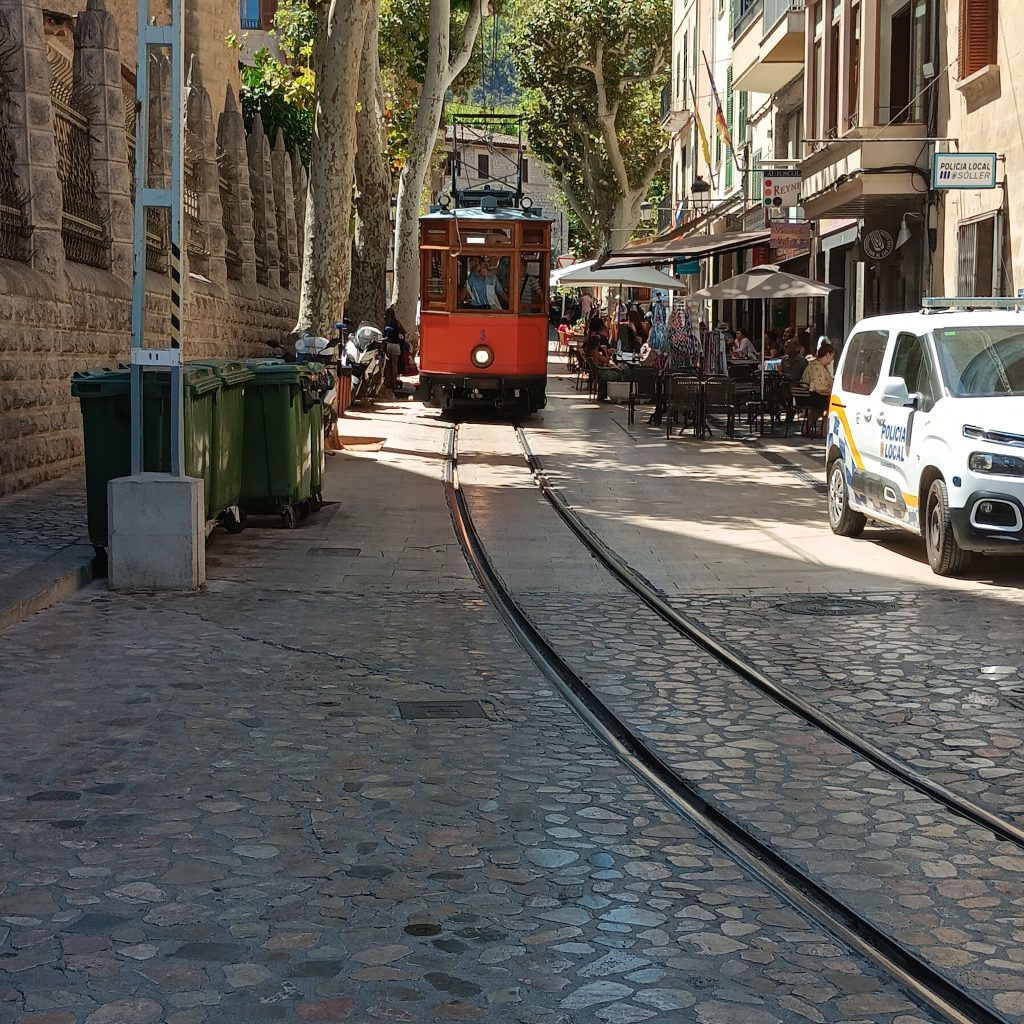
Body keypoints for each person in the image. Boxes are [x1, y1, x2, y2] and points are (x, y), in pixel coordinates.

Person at [800, 340, 835, 433]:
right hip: (810, 396)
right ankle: (823, 431)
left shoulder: (822, 366)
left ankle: (813, 430)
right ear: (828, 354)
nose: (832, 359)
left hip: (811, 396)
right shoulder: (817, 367)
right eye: (832, 356)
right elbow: (818, 389)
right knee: (832, 404)